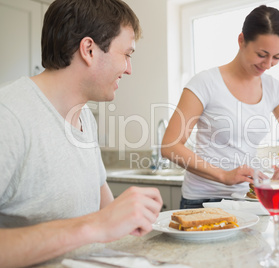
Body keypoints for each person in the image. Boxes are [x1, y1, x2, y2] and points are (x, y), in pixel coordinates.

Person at [0, 0, 163, 267]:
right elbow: (96, 223)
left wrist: (132, 217)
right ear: (88, 49)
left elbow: (103, 208)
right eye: (127, 54)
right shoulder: (8, 116)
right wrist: (92, 227)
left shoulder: (84, 115)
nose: (129, 68)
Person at [161, 5, 279, 209]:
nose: (268, 64)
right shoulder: (205, 83)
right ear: (241, 40)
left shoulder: (273, 89)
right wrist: (223, 175)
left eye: (277, 57)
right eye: (262, 54)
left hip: (247, 202)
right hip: (201, 201)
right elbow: (170, 146)